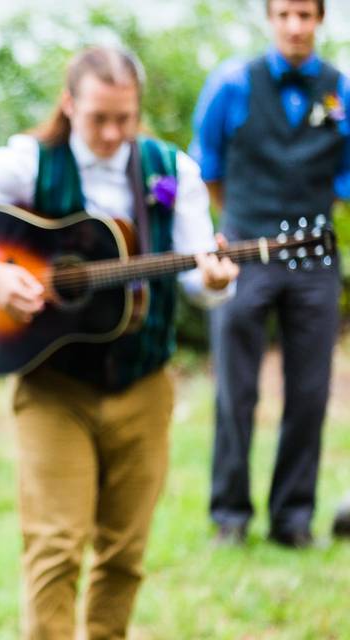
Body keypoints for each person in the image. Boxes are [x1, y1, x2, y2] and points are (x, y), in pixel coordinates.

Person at [0, 47, 238, 640]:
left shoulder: (172, 170)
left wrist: (213, 282)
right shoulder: (31, 161)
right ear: (69, 104)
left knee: (125, 553)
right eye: (98, 118)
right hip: (54, 387)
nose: (112, 133)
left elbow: (193, 275)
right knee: (56, 546)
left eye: (124, 119)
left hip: (144, 384)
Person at [191, 0, 349, 548]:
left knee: (309, 392)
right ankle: (230, 517)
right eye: (285, 14)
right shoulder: (231, 84)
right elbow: (206, 170)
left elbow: (345, 181)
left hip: (316, 262)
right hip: (244, 253)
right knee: (236, 391)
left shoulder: (340, 91)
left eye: (305, 14)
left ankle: (293, 519)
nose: (295, 26)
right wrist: (244, 224)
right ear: (270, 18)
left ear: (320, 20)